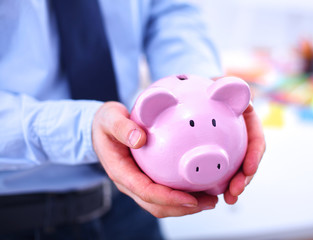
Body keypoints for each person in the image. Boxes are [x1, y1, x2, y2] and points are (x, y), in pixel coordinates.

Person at [0, 0, 265, 239]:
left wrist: (201, 91)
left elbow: (169, 10)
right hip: (17, 215)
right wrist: (83, 129)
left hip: (130, 198)